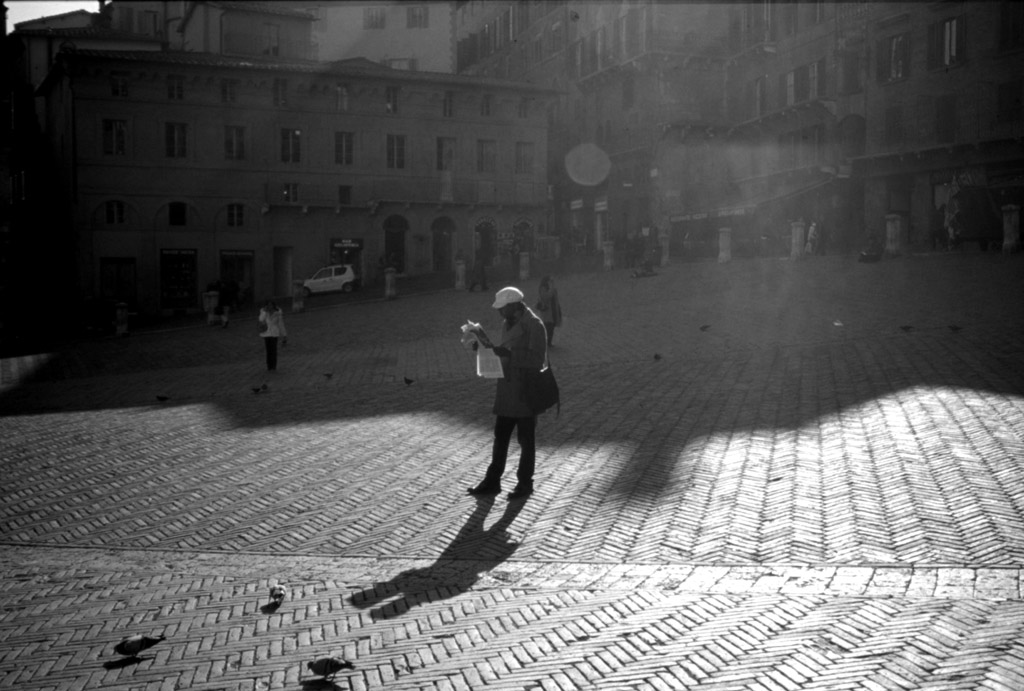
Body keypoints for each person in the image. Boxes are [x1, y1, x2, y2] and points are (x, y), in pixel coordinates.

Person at [467, 286, 548, 500]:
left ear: (514, 305)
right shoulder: (508, 322)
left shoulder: (534, 324)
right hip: (507, 390)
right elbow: (505, 351)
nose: (500, 313)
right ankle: (492, 481)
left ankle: (525, 483)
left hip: (525, 392)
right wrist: (485, 350)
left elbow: (537, 360)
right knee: (500, 437)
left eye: (503, 309)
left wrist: (510, 354)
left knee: (526, 440)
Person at [258, 300, 288, 371]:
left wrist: (284, 334)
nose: (270, 307)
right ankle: (269, 365)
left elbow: (281, 324)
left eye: (271, 305)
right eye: (268, 305)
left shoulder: (278, 313)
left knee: (273, 350)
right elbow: (261, 319)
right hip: (267, 333)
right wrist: (264, 312)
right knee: (268, 350)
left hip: (274, 333)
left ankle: (274, 365)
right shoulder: (263, 312)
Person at [535, 275, 563, 347]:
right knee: (548, 327)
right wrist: (551, 288)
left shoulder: (551, 288)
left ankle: (549, 342)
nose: (552, 282)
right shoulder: (543, 288)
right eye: (550, 281)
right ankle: (546, 343)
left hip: (553, 310)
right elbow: (546, 297)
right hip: (547, 312)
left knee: (551, 327)